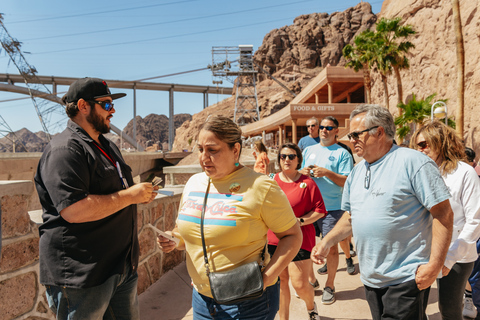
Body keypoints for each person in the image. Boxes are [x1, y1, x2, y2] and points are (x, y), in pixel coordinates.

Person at [311, 104, 453, 320]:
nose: (351, 140)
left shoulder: (413, 162)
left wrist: (434, 264)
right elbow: (351, 217)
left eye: (356, 134)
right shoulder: (357, 172)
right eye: (350, 135)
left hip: (406, 278)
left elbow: (443, 214)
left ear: (379, 132)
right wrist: (326, 242)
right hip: (371, 279)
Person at [34, 77, 158, 319]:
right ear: (83, 106)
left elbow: (117, 191)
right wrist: (130, 196)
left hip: (119, 269)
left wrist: (136, 194)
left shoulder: (107, 146)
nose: (113, 111)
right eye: (107, 105)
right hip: (84, 277)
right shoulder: (65, 150)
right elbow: (74, 210)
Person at [157, 116, 302, 320]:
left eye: (212, 150)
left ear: (235, 150)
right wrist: (173, 239)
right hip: (202, 300)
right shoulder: (194, 183)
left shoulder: (261, 186)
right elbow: (183, 234)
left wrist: (268, 277)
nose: (203, 158)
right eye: (200, 149)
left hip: (248, 301)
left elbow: (293, 236)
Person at [411, 121, 480, 320]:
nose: (419, 150)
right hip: (422, 252)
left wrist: (448, 258)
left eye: (423, 144)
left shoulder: (464, 173)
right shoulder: (420, 173)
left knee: (449, 309)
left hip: (457, 254)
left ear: (439, 142)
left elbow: (474, 221)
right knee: (415, 308)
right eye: (417, 146)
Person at [268, 142, 327, 320]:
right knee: (280, 283)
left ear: (298, 160)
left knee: (300, 284)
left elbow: (319, 210)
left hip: (300, 238)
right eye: (283, 156)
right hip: (273, 240)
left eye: (291, 156)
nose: (287, 159)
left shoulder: (307, 183)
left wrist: (299, 221)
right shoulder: (271, 181)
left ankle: (311, 308)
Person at [299, 115, 354, 305]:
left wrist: (327, 173)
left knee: (330, 249)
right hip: (309, 207)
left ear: (336, 131)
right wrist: (302, 172)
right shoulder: (308, 150)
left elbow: (347, 181)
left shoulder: (342, 153)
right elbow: (299, 174)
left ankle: (330, 285)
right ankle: (312, 280)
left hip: (332, 208)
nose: (324, 130)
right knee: (305, 246)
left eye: (329, 128)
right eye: (322, 127)